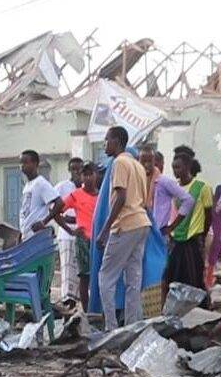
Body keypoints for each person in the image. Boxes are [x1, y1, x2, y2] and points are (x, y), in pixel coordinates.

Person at [95, 126, 150, 330]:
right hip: (142, 223)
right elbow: (143, 200)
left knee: (106, 277)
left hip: (125, 224)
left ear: (117, 141)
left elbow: (121, 196)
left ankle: (110, 327)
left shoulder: (119, 162)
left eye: (107, 140)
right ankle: (132, 326)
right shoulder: (137, 165)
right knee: (133, 278)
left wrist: (104, 230)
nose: (104, 144)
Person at [48, 162, 98, 311]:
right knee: (84, 277)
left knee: (99, 277)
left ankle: (97, 308)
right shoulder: (75, 195)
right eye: (85, 174)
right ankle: (87, 311)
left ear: (96, 175)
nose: (88, 178)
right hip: (83, 241)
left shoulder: (102, 195)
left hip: (98, 241)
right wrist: (70, 230)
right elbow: (55, 211)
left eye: (91, 174)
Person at [166, 152, 214, 293]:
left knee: (194, 277)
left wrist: (202, 235)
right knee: (174, 276)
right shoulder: (174, 187)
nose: (175, 171)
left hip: (192, 239)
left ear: (187, 167)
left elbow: (208, 214)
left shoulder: (202, 187)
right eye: (173, 167)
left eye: (178, 167)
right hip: (176, 238)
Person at [140, 146, 196, 234]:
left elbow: (188, 200)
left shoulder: (163, 181)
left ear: (154, 162)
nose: (146, 165)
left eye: (149, 161)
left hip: (158, 233)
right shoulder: (138, 180)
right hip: (142, 232)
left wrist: (171, 227)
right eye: (143, 161)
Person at [20, 150, 64, 241]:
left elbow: (59, 202)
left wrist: (44, 222)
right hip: (27, 235)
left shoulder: (40, 183)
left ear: (35, 164)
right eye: (21, 163)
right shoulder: (27, 185)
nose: (22, 166)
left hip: (37, 236)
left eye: (25, 163)